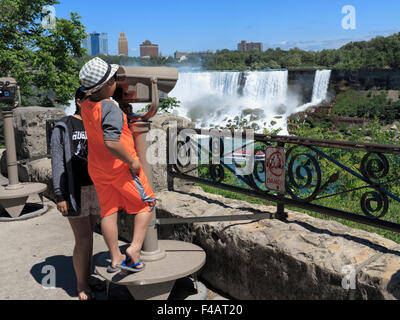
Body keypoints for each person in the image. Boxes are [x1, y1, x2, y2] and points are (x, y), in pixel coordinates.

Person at [78, 57, 155, 274]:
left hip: (97, 168)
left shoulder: (85, 104)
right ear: (105, 86)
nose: (116, 82)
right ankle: (134, 249)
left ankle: (115, 258)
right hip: (120, 167)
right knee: (146, 204)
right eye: (113, 79)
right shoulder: (110, 110)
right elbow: (111, 142)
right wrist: (132, 161)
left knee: (109, 212)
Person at [51, 88, 102, 300]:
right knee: (83, 238)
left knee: (88, 237)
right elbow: (57, 161)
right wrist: (59, 195)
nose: (94, 105)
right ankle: (81, 285)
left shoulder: (96, 123)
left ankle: (87, 278)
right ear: (79, 101)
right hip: (74, 191)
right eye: (90, 101)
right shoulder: (64, 126)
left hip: (96, 188)